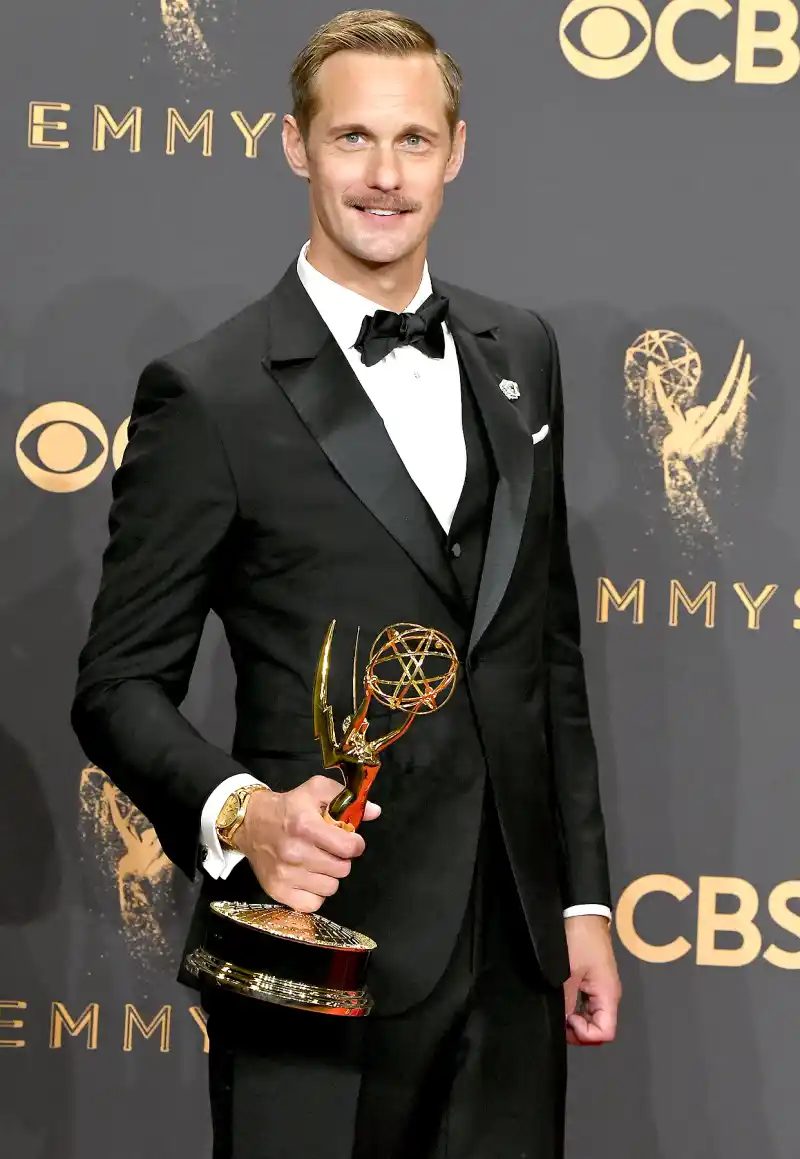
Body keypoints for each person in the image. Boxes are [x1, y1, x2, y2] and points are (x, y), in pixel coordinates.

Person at [71, 10, 621, 1158]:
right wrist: (244, 815)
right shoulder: (208, 393)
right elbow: (117, 684)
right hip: (311, 951)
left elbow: (542, 654)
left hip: (512, 955)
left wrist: (575, 905)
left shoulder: (521, 353)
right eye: (353, 139)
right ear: (295, 147)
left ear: (455, 151)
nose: (383, 176)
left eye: (413, 141)